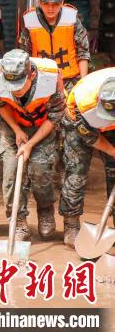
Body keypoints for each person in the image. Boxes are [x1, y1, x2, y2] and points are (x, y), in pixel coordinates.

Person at [0, 50, 65, 241]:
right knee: (11, 176)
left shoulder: (51, 78)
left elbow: (55, 116)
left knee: (40, 170)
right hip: (13, 128)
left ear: (32, 74)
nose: (15, 90)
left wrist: (31, 144)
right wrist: (16, 130)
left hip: (43, 128)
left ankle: (45, 211)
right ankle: (17, 221)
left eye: (19, 84)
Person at [60, 68, 115, 247]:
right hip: (81, 123)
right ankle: (71, 224)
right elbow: (91, 138)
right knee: (76, 171)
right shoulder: (83, 102)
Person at [18, 0, 89, 93]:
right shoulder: (30, 21)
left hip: (70, 81)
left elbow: (83, 53)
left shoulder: (72, 20)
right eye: (46, 4)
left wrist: (83, 83)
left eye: (55, 4)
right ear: (40, 3)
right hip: (40, 80)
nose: (50, 8)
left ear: (61, 3)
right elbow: (23, 56)